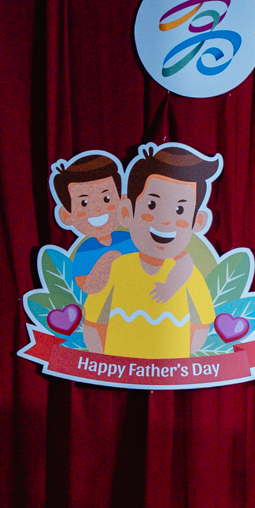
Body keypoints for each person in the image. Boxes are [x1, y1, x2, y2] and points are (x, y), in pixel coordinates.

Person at [80, 143, 220, 358]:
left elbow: (202, 322)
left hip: (172, 366)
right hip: (120, 364)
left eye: (179, 210)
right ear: (126, 213)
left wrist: (185, 356)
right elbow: (93, 319)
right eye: (152, 205)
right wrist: (100, 359)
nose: (165, 220)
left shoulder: (189, 274)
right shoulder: (118, 267)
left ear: (197, 221)